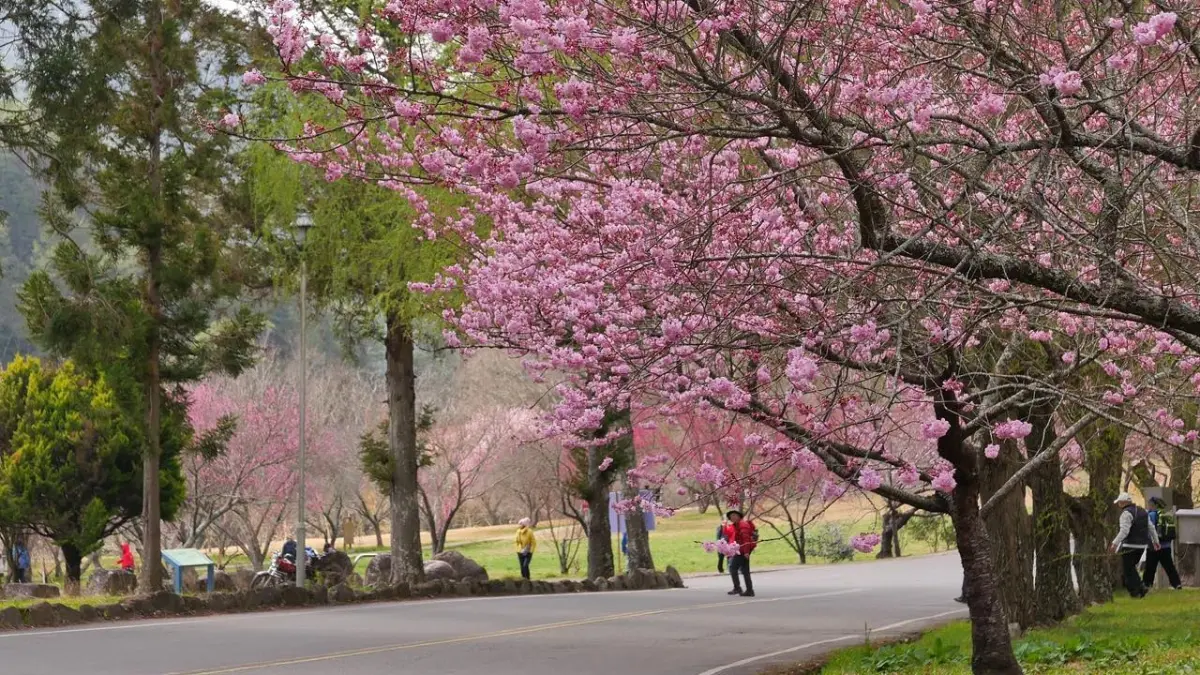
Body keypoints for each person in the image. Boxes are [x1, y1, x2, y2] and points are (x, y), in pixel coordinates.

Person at [1109, 492, 1160, 598]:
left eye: (1119, 502)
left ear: (1123, 503)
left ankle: (1139, 588)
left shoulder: (1126, 514)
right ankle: (1138, 591)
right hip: (1142, 546)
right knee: (1131, 568)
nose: (1118, 504)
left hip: (1129, 545)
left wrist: (1114, 543)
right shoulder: (1143, 512)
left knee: (1128, 569)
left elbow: (1124, 531)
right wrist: (1156, 541)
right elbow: (1151, 528)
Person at [1143, 497, 1183, 590]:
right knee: (1169, 566)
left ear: (1155, 505)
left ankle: (1146, 584)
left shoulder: (1152, 514)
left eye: (1150, 504)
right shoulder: (1166, 514)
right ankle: (1177, 584)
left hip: (1154, 546)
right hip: (1166, 546)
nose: (1149, 506)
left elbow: (1150, 530)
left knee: (1150, 567)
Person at [723, 510, 758, 597]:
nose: (732, 517)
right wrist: (724, 525)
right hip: (741, 549)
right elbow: (728, 533)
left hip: (743, 550)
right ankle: (749, 590)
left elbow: (746, 539)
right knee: (745, 570)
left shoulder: (743, 525)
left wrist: (746, 552)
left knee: (732, 567)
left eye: (734, 515)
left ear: (739, 516)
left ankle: (738, 588)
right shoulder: (736, 525)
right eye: (731, 516)